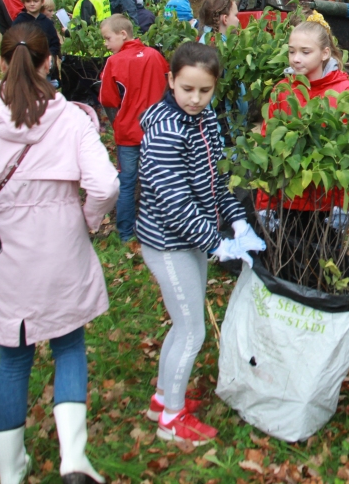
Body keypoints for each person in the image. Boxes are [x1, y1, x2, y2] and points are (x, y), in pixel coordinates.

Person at [0, 24, 118, 484]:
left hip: (0, 253)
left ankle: (10, 469)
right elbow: (104, 184)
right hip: (60, 245)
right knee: (69, 344)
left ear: (2, 62)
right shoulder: (73, 118)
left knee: (14, 357)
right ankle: (74, 457)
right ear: (49, 63)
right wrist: (89, 219)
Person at [136, 41, 263, 445]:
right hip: (168, 243)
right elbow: (174, 201)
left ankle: (163, 398)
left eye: (204, 91)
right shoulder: (166, 131)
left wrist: (237, 217)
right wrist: (216, 243)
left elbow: (213, 181)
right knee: (192, 331)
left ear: (214, 87)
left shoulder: (206, 120)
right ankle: (170, 420)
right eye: (187, 88)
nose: (195, 98)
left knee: (183, 325)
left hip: (194, 238)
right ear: (170, 80)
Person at [255, 18, 349, 225]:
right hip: (287, 200)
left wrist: (345, 205)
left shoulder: (345, 91)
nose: (296, 58)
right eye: (292, 51)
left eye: (305, 52)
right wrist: (264, 203)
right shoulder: (282, 90)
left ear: (325, 53)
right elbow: (268, 149)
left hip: (326, 203)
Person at [99, 14, 170, 243]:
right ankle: (160, 231)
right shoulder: (155, 56)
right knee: (158, 183)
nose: (107, 45)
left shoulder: (114, 62)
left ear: (123, 34)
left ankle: (126, 234)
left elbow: (108, 100)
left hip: (128, 133)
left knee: (127, 184)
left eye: (108, 39)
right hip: (157, 133)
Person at [12, 0, 62, 85]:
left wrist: (51, 55)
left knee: (44, 92)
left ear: (42, 2)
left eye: (35, 1)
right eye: (28, 1)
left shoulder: (47, 22)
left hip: (44, 64)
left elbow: (55, 43)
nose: (32, 4)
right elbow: (12, 41)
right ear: (23, 3)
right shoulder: (19, 21)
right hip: (25, 64)